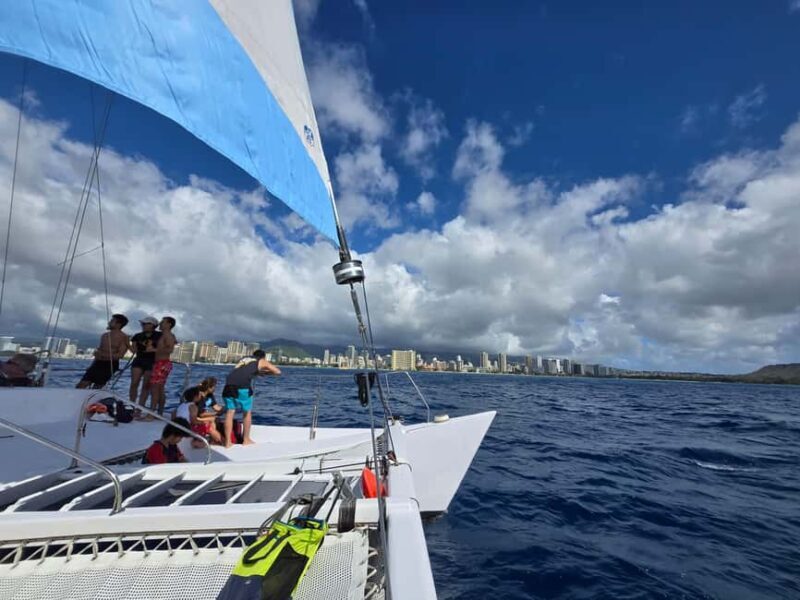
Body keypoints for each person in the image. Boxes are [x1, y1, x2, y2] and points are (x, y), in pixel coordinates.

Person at [222, 349, 280, 447]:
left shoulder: (244, 359)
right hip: (242, 387)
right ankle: (246, 439)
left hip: (228, 385)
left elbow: (243, 371)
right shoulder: (261, 360)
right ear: (263, 357)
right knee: (247, 412)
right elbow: (277, 371)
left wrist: (258, 372)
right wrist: (267, 373)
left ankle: (227, 442)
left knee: (230, 412)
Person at [77, 314, 130, 389]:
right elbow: (99, 351)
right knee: (81, 385)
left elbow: (120, 355)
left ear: (118, 324)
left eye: (112, 321)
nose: (109, 322)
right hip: (97, 363)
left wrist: (103, 355)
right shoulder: (104, 335)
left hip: (109, 365)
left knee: (97, 387)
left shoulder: (124, 337)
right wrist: (92, 365)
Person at [129, 316, 161, 408]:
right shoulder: (137, 336)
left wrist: (154, 350)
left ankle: (140, 407)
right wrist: (127, 344)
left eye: (145, 324)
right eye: (142, 324)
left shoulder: (160, 336)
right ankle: (131, 405)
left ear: (153, 325)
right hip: (139, 360)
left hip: (152, 361)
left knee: (146, 386)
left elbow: (166, 348)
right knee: (134, 383)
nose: (143, 325)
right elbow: (134, 350)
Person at [148, 316, 176, 416]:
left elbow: (170, 350)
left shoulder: (168, 335)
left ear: (169, 324)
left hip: (162, 363)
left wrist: (154, 350)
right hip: (161, 363)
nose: (160, 323)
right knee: (160, 389)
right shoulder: (165, 335)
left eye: (163, 322)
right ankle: (159, 413)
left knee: (155, 389)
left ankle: (151, 414)